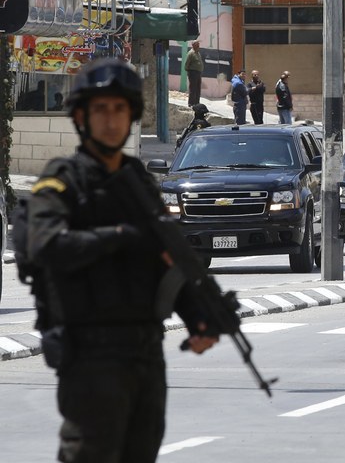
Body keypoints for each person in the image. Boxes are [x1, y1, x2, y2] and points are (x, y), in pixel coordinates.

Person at [26, 58, 219, 462]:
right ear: (82, 117)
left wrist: (197, 314)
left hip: (145, 353)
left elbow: (166, 258)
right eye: (101, 110)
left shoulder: (139, 181)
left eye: (119, 109)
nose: (111, 120)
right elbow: (47, 245)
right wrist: (119, 237)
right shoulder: (62, 181)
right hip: (90, 355)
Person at [184, 40, 204, 106]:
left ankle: (196, 103)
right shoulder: (191, 53)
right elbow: (186, 64)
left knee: (198, 88)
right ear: (193, 45)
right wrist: (190, 71)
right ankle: (191, 103)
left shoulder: (197, 53)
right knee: (193, 88)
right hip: (193, 73)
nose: (198, 46)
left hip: (198, 73)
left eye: (198, 44)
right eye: (197, 44)